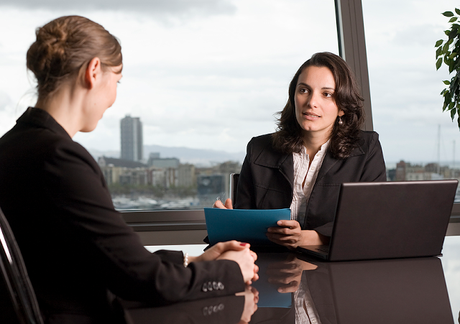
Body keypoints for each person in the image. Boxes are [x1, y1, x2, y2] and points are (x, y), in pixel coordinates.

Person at [0, 15, 258, 323]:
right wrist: (231, 271)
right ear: (94, 71)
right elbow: (145, 281)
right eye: (117, 81)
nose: (114, 97)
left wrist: (193, 260)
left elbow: (105, 260)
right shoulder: (60, 159)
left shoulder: (11, 147)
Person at [215, 52, 386, 249]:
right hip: (268, 267)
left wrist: (307, 238)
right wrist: (229, 223)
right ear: (293, 97)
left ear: (342, 107)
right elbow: (243, 232)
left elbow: (371, 221)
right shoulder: (258, 149)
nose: (311, 102)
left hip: (336, 268)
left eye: (327, 94)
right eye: (304, 90)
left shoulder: (366, 148)